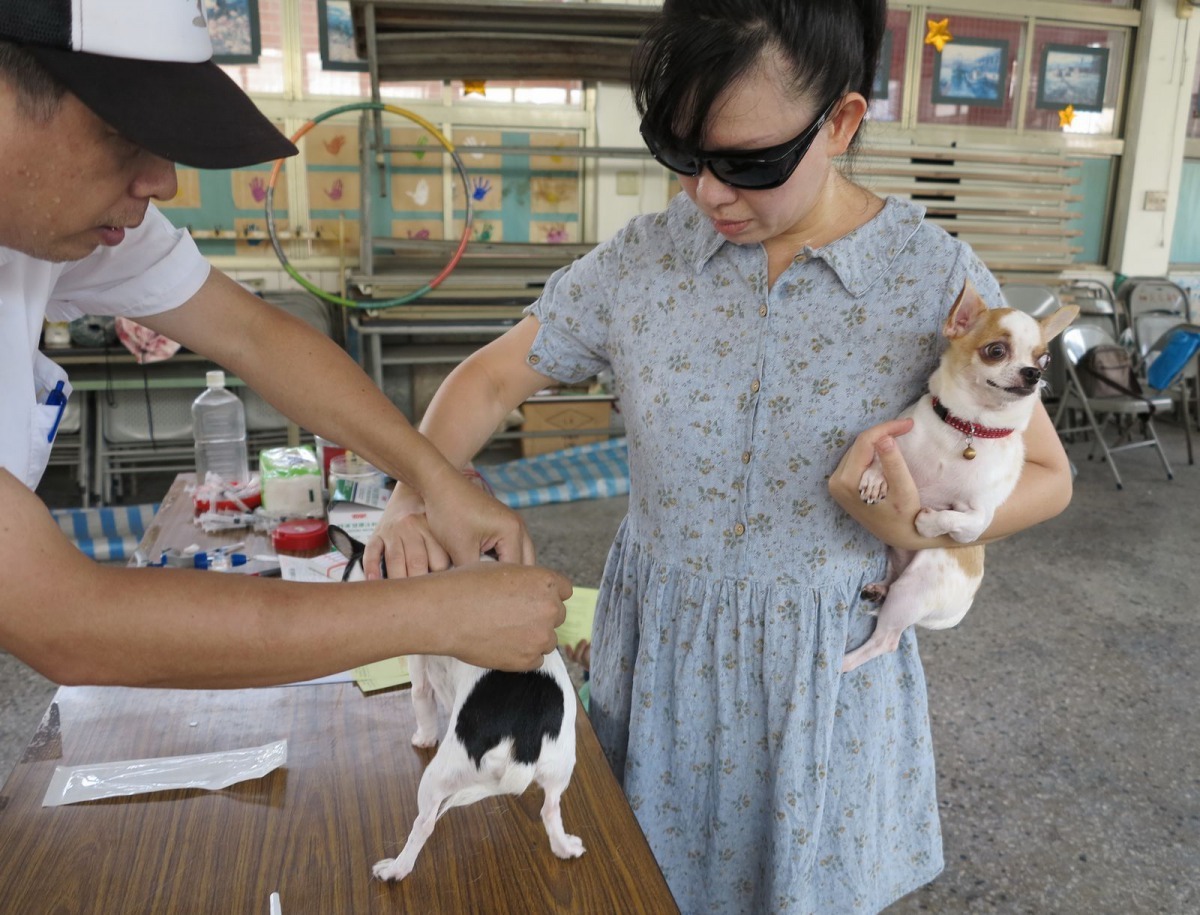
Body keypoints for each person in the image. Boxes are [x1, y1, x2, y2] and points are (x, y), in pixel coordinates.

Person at [370, 0, 1074, 911]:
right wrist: (410, 495)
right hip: (658, 661)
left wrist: (931, 524)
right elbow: (492, 380)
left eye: (749, 162)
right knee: (627, 884)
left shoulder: (932, 279)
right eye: (684, 155)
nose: (710, 193)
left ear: (844, 121)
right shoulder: (645, 260)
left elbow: (1049, 475)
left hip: (823, 680)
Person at [0, 0, 571, 688]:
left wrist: (434, 479)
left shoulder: (48, 217)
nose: (163, 181)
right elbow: (65, 619)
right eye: (125, 137)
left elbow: (255, 335)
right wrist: (436, 614)